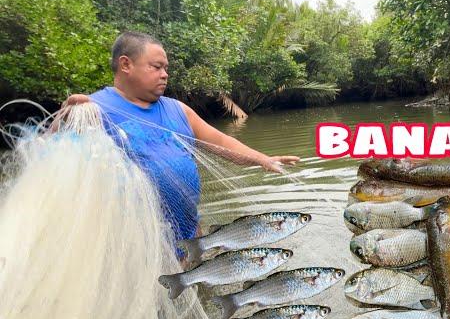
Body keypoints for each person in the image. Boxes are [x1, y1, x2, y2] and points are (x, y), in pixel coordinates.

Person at [60, 31, 300, 268]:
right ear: (126, 64)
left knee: (192, 287)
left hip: (188, 236)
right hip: (133, 249)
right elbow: (50, 169)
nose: (165, 74)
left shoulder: (178, 109)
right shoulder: (92, 109)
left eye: (166, 68)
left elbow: (222, 142)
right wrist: (61, 120)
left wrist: (263, 159)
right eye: (156, 67)